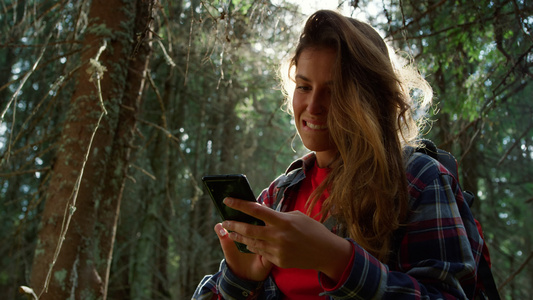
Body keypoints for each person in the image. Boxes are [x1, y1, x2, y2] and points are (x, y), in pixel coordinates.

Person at [192, 9, 484, 300]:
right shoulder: (278, 197)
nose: (313, 105)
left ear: (370, 97)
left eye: (334, 91)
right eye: (304, 86)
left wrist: (338, 260)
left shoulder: (419, 180)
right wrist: (240, 278)